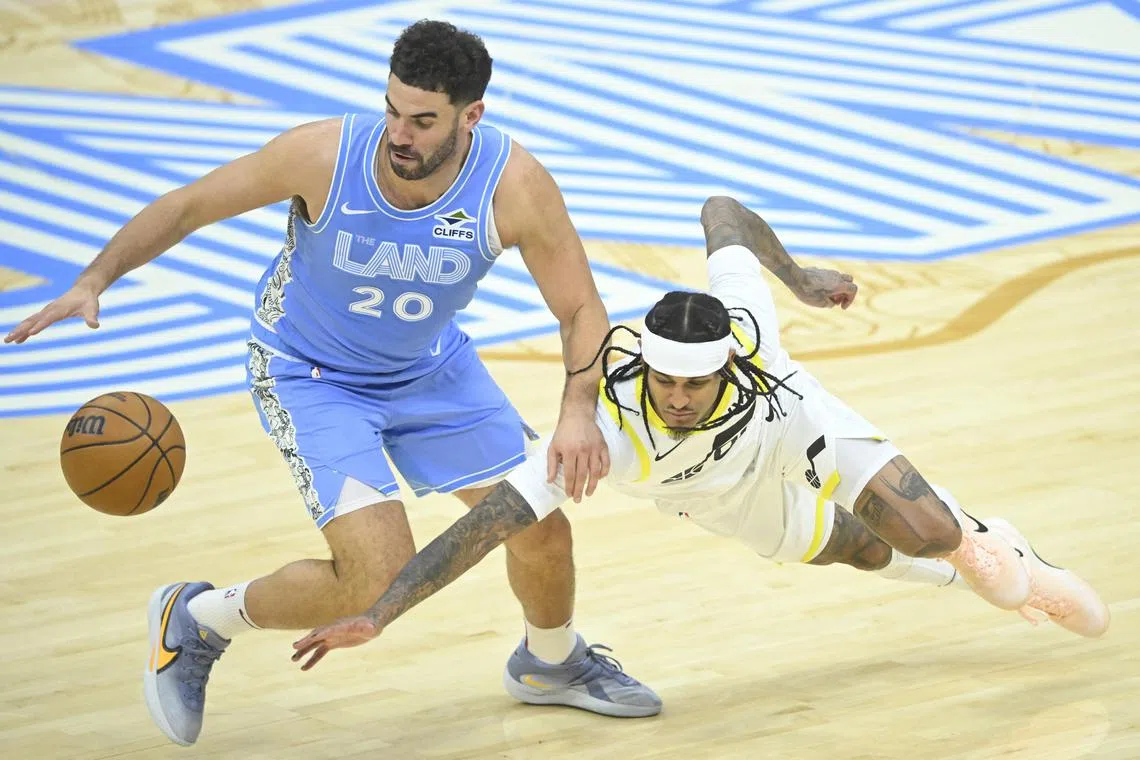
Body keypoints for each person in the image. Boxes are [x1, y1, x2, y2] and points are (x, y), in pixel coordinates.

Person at [3, 20, 662, 746]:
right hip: (310, 373)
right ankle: (197, 618)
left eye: (422, 120)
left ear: (471, 116)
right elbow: (191, 203)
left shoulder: (514, 186)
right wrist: (95, 279)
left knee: (540, 531)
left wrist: (577, 409)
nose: (400, 134)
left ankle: (550, 664)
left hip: (429, 368)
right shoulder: (325, 155)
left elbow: (581, 306)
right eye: (392, 110)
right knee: (376, 577)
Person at [291, 194, 1110, 676]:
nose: (676, 397)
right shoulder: (606, 435)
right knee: (861, 552)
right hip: (724, 499)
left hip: (798, 424)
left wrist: (797, 276)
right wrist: (384, 612)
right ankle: (983, 574)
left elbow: (721, 211)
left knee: (928, 531)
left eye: (694, 381)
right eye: (665, 381)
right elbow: (483, 528)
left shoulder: (748, 329)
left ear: (726, 363)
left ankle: (986, 548)